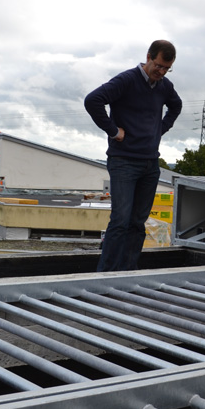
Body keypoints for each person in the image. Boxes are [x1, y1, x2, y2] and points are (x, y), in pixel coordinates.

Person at [85, 40, 181, 272]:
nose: (161, 72)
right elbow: (92, 100)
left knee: (137, 223)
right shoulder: (126, 80)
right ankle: (104, 275)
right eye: (158, 66)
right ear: (148, 57)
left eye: (166, 68)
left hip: (150, 163)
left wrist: (160, 128)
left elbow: (176, 106)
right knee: (120, 220)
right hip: (124, 161)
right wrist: (113, 130)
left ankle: (127, 272)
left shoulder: (164, 86)